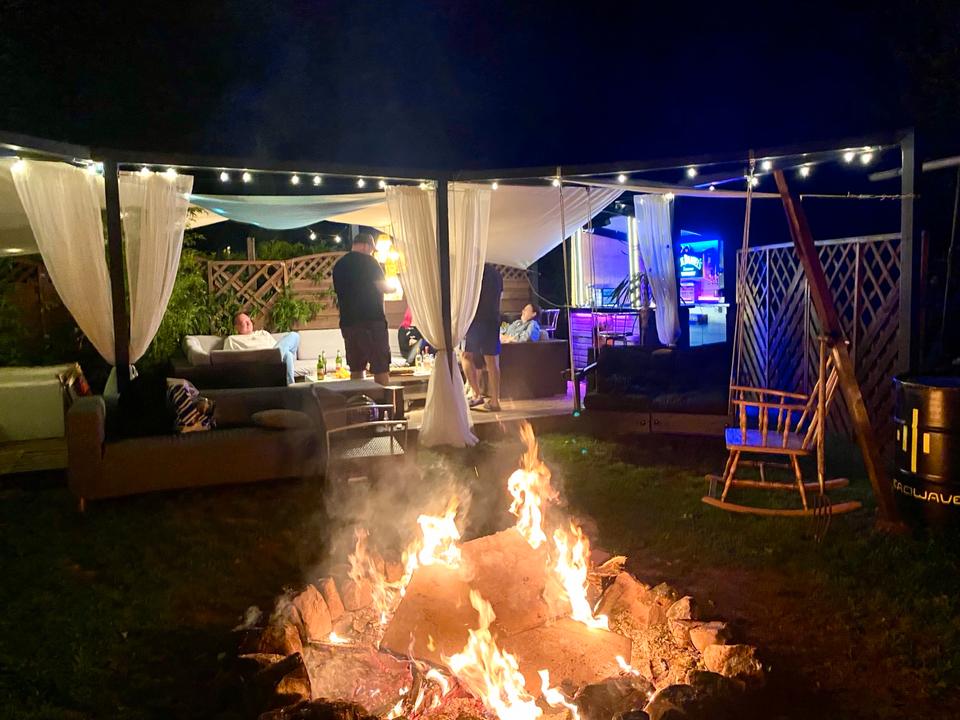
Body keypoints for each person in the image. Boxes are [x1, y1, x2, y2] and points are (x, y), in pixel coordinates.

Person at [332, 232, 390, 384]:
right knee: (380, 366)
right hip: (372, 322)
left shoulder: (339, 265)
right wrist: (394, 288)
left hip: (348, 324)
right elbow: (383, 287)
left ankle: (359, 397)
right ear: (365, 246)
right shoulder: (370, 262)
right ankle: (383, 399)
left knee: (356, 367)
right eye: (371, 249)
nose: (371, 252)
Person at [462, 263, 503, 412]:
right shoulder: (497, 274)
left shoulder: (473, 272)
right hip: (493, 319)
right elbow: (500, 298)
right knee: (492, 360)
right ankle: (495, 401)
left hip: (476, 319)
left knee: (466, 356)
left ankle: (476, 394)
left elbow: (467, 298)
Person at [223, 312, 301, 385]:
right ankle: (290, 387)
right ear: (236, 327)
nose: (248, 323)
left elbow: (278, 349)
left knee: (293, 336)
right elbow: (226, 361)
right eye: (244, 322)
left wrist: (275, 356)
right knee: (287, 354)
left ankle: (289, 385)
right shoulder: (232, 339)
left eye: (249, 320)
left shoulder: (263, 333)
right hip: (257, 366)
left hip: (274, 363)